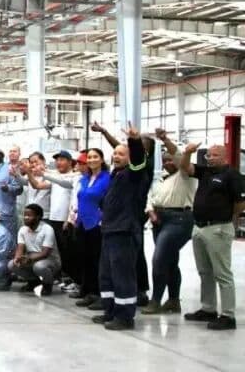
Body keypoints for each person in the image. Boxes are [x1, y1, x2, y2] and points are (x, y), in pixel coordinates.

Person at [92, 124, 152, 331]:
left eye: (121, 153)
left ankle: (125, 317)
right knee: (106, 275)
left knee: (123, 276)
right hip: (109, 230)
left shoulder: (135, 175)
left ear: (131, 158)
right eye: (114, 153)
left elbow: (138, 161)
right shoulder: (116, 175)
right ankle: (110, 311)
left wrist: (134, 141)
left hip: (125, 231)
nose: (116, 156)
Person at [180, 142, 243, 331]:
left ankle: (228, 315)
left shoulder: (232, 175)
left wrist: (229, 218)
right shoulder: (205, 172)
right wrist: (188, 152)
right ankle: (208, 308)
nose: (211, 158)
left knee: (222, 273)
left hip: (218, 228)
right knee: (205, 272)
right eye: (209, 155)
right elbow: (185, 167)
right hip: (199, 228)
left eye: (215, 155)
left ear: (224, 156)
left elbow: (240, 202)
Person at [141, 129, 197, 315]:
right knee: (170, 261)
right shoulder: (161, 178)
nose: (168, 162)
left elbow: (180, 157)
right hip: (159, 220)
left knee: (159, 258)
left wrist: (165, 140)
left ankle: (155, 300)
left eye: (170, 159)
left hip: (179, 220)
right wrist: (150, 210)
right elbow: (150, 195)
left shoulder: (185, 174)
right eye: (165, 160)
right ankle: (173, 300)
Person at [26, 150, 78, 291]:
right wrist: (28, 173)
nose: (59, 162)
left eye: (62, 160)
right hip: (54, 219)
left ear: (70, 161)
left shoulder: (74, 177)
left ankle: (72, 279)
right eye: (57, 160)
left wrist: (69, 218)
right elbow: (38, 185)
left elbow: (73, 200)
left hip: (66, 220)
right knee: (59, 251)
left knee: (69, 251)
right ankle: (61, 277)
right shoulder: (55, 178)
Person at [72, 150, 111, 307]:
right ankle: (87, 290)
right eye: (90, 157)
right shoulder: (85, 179)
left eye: (95, 157)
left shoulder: (107, 179)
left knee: (97, 260)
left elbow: (108, 200)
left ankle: (99, 293)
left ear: (102, 160)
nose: (92, 159)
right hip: (82, 223)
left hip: (97, 224)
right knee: (85, 258)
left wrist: (102, 217)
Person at [9, 204, 61, 296]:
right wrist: (17, 258)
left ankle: (48, 284)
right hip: (32, 258)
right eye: (25, 215)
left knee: (39, 266)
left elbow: (45, 253)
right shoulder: (23, 229)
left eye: (29, 215)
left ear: (38, 217)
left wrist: (29, 258)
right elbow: (20, 247)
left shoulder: (47, 229)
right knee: (12, 264)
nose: (25, 217)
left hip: (50, 260)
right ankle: (33, 282)